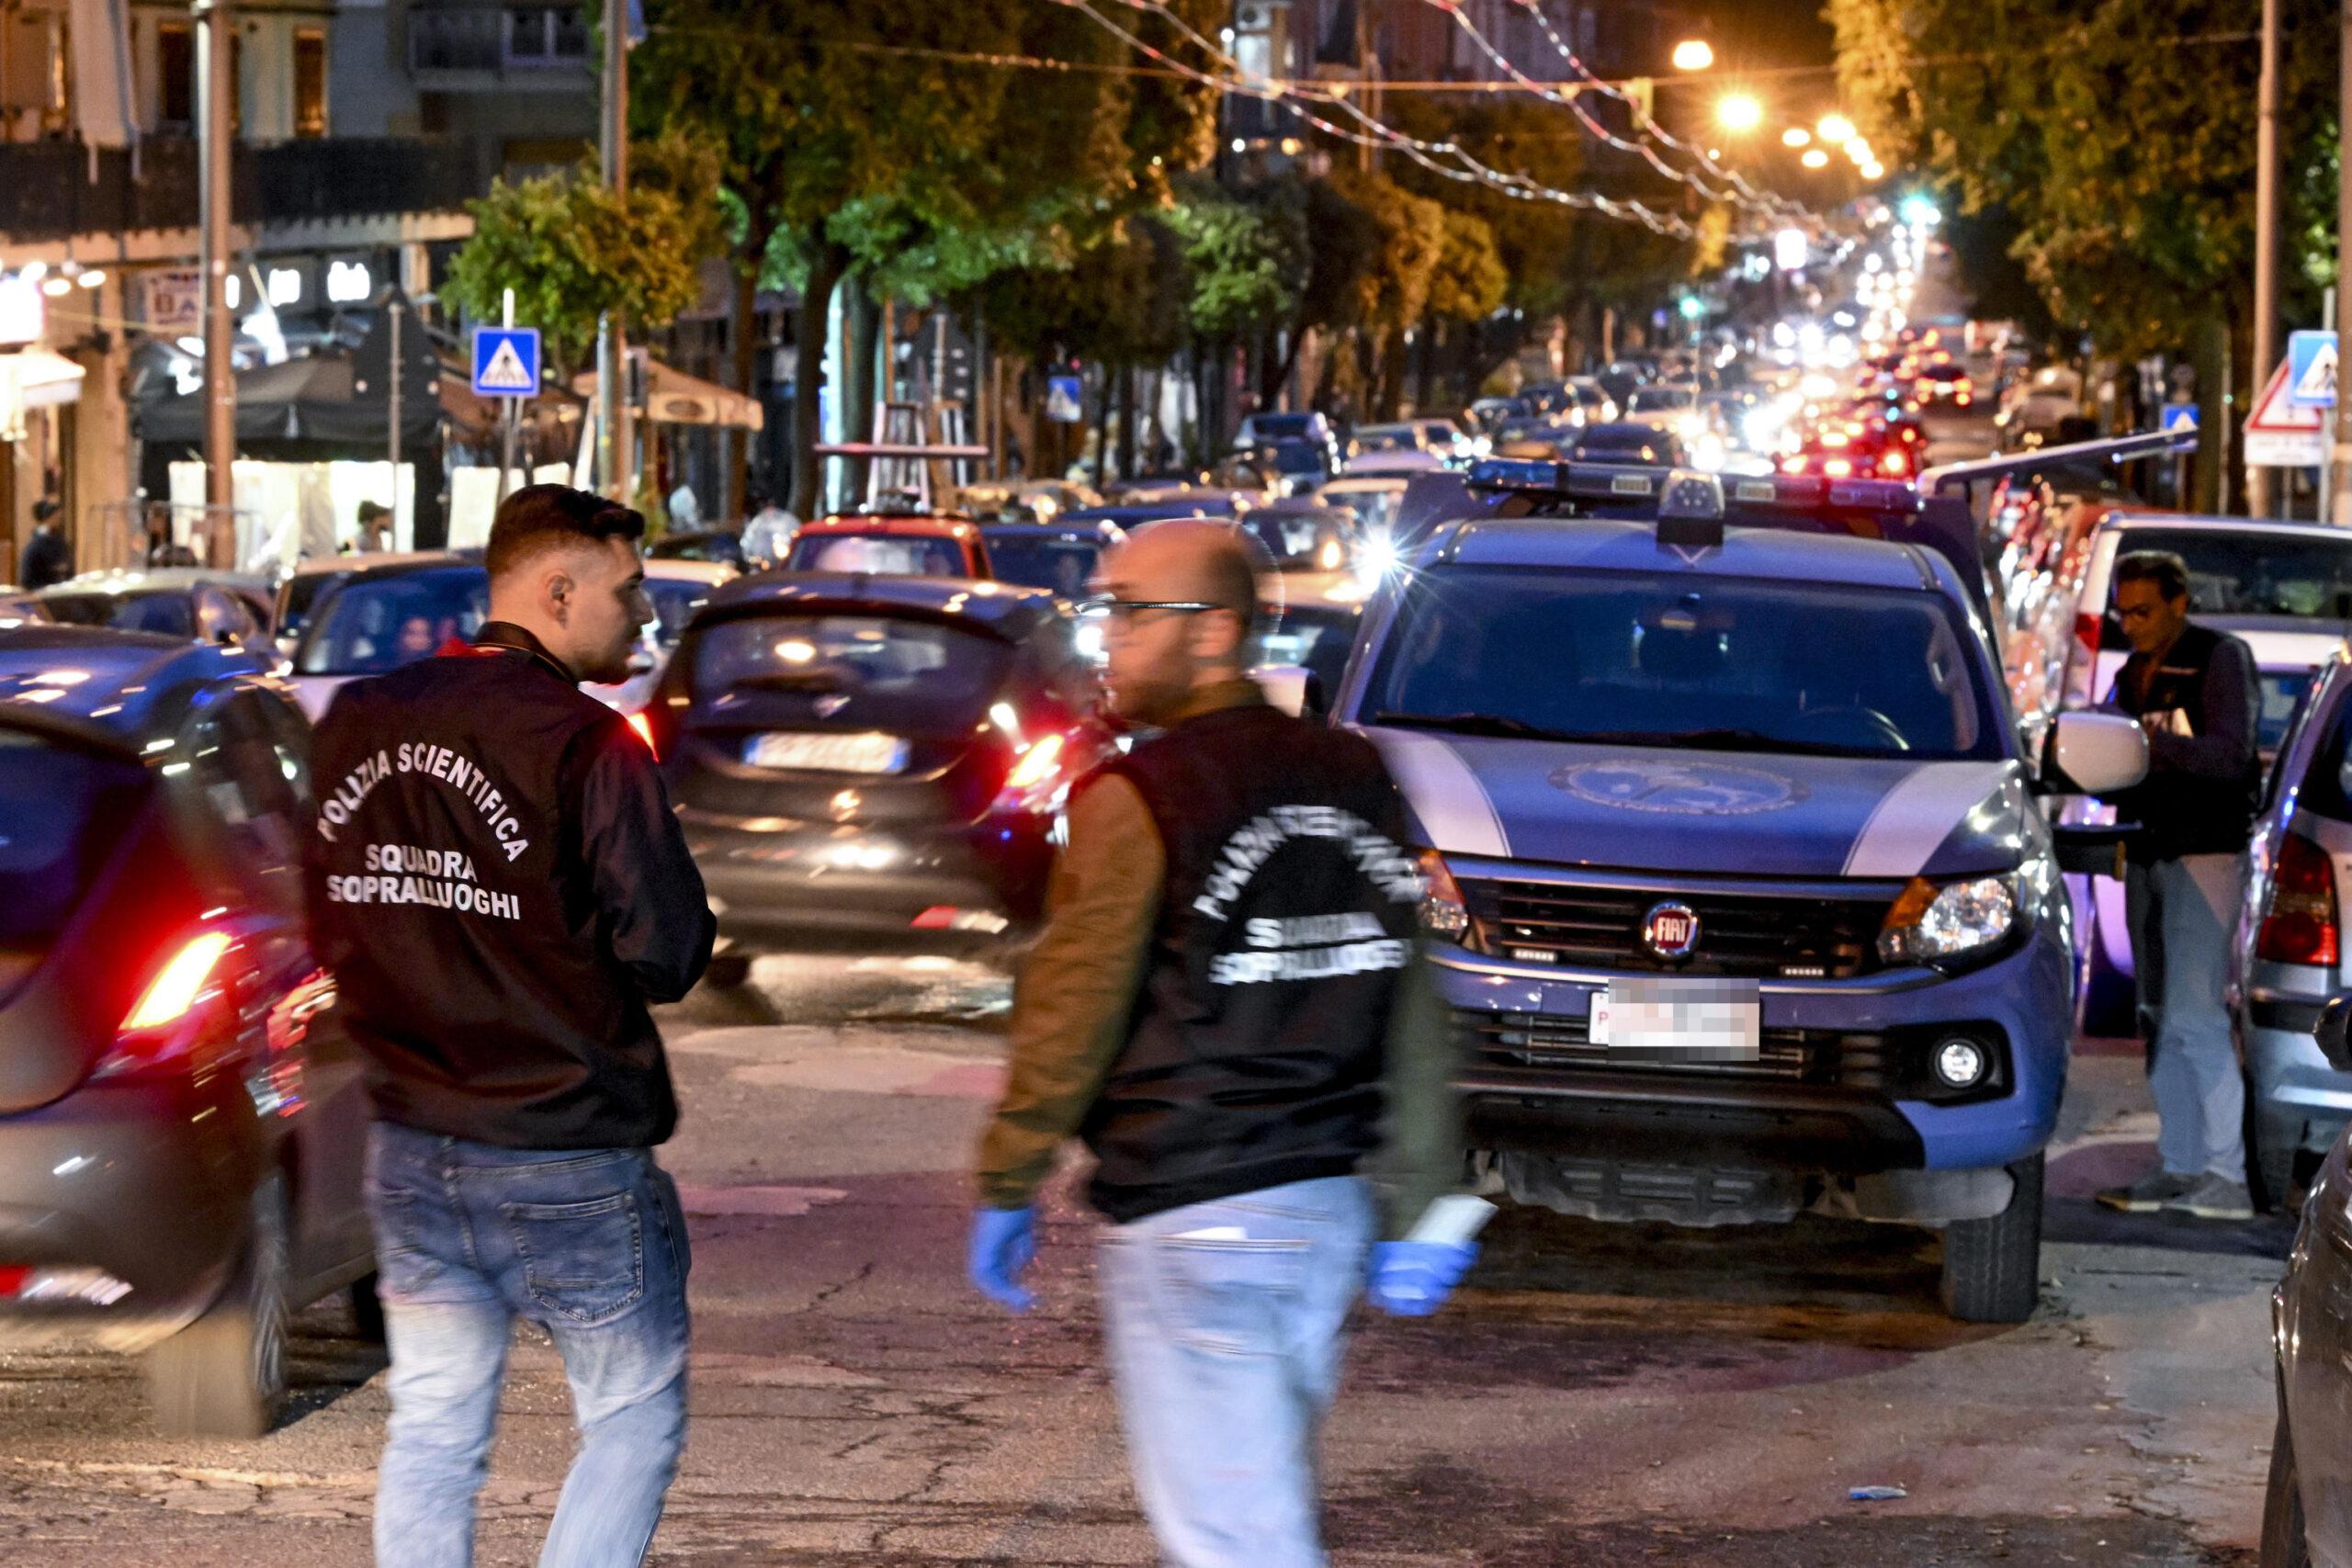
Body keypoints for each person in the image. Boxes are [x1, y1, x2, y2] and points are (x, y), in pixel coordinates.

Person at [967, 519, 1473, 1568]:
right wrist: (1418, 1196)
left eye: (1132, 613)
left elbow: (1074, 1005)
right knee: (1249, 1506)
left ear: (1215, 633)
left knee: (1239, 1541)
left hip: (1195, 1217)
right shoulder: (1354, 777)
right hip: (1322, 1215)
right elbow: (1410, 1002)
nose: (1107, 639)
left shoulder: (1137, 799)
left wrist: (1012, 1175)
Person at [304, 484, 715, 1568]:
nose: (645, 619)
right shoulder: (587, 746)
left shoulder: (361, 718)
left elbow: (327, 910)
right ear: (557, 587)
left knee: (436, 1428)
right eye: (630, 592)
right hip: (564, 1148)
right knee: (631, 1415)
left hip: (411, 1142)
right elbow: (666, 952)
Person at [2093, 549, 2260, 1221]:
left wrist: (2144, 745)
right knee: (2159, 1017)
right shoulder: (2134, 672)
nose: (2131, 624)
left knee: (2194, 1014)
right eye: (2123, 611)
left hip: (2204, 852)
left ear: (2179, 603)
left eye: (2143, 610)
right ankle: (2182, 1163)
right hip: (2151, 851)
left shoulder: (2218, 658)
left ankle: (2226, 1176)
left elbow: (2230, 753)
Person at [17, 498, 70, 588]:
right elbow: (26, 579)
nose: (60, 520)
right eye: (57, 517)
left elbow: (69, 571)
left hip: (61, 595)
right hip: (44, 596)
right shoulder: (35, 546)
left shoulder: (60, 542)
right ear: (49, 518)